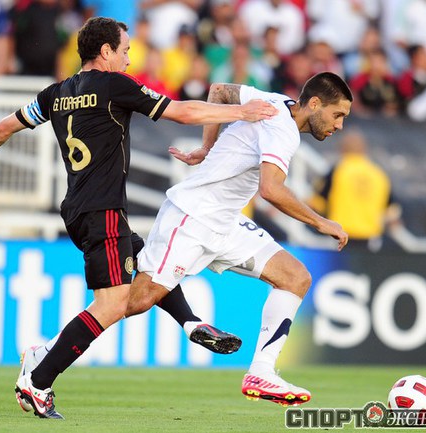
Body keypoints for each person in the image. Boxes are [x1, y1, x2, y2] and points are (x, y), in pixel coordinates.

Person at [0, 17, 278, 419]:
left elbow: (5, 125)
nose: (128, 59)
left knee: (147, 262)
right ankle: (38, 379)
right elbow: (181, 112)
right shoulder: (113, 86)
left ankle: (191, 323)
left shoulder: (56, 94)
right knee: (111, 305)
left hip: (78, 207)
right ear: (105, 51)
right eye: (125, 51)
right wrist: (241, 111)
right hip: (102, 210)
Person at [125, 72, 352, 407]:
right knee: (133, 302)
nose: (340, 125)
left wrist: (208, 146)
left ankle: (261, 372)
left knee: (295, 277)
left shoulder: (275, 101)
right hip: (193, 216)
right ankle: (49, 353)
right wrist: (321, 222)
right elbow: (270, 190)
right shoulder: (283, 131)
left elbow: (219, 91)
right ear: (315, 104)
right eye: (338, 115)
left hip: (227, 222)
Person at [308, 128, 402, 252]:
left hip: (340, 234)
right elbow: (391, 209)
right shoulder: (378, 174)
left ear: (342, 148)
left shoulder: (338, 170)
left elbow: (318, 202)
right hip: (370, 237)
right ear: (365, 149)